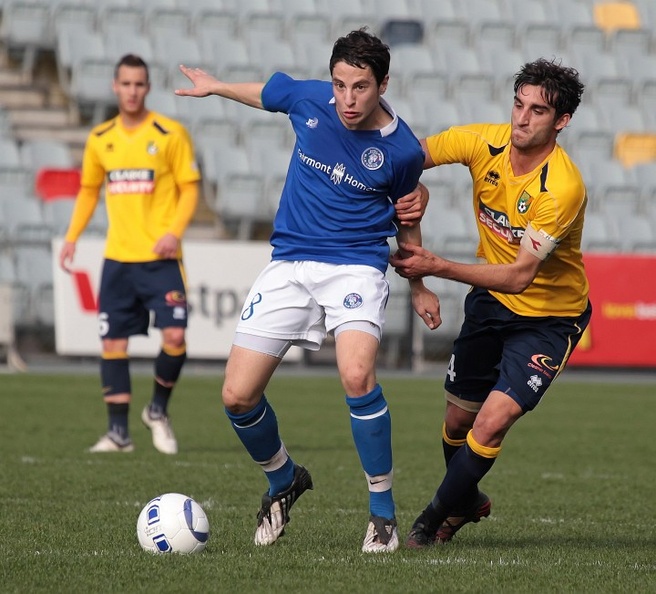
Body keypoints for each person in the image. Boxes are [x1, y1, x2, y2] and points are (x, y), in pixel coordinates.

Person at [175, 28, 440, 552]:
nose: (347, 99)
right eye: (339, 84)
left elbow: (407, 221)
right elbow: (266, 93)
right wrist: (217, 86)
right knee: (236, 395)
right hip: (290, 263)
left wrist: (419, 285)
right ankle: (283, 480)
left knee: (357, 374)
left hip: (357, 267)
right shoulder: (308, 99)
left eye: (360, 87)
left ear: (383, 83)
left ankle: (382, 514)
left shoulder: (403, 150)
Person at [390, 58, 593, 547]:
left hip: (550, 317)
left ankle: (429, 523)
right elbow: (406, 156)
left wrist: (437, 268)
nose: (522, 119)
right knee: (457, 420)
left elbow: (521, 276)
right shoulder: (484, 141)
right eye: (518, 105)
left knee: (492, 419)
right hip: (490, 303)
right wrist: (414, 188)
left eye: (538, 111)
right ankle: (467, 501)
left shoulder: (562, 187)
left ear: (560, 121)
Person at [59, 54, 201, 455]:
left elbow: (190, 187)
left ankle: (157, 410)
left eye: (139, 84)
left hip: (161, 259)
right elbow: (88, 190)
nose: (132, 91)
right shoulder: (100, 138)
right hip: (118, 260)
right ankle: (118, 434)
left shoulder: (169, 133)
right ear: (114, 87)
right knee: (113, 345)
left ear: (147, 87)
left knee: (174, 335)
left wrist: (174, 232)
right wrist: (72, 237)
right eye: (126, 84)